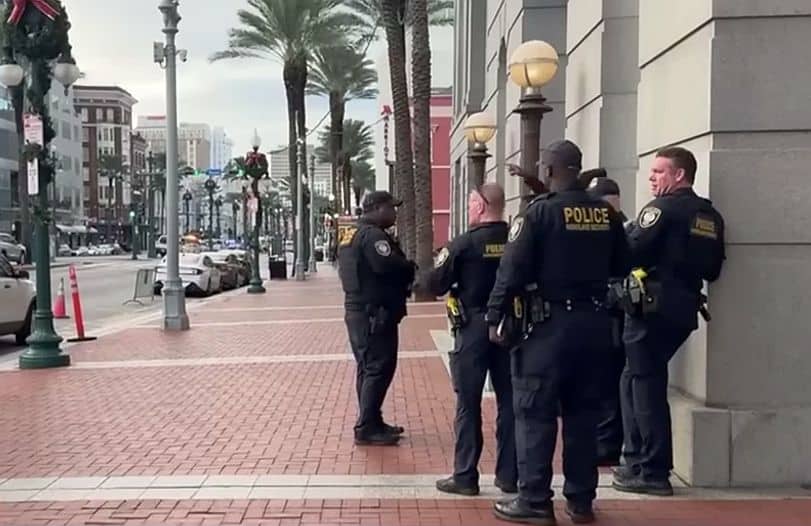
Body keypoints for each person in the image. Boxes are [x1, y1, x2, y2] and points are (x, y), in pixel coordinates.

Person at [486, 140, 630, 525]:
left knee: (535, 414)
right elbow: (623, 263)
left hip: (547, 330)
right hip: (595, 327)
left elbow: (511, 270)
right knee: (583, 416)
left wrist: (494, 317)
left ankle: (535, 500)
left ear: (549, 170)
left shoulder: (539, 213)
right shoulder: (605, 214)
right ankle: (581, 501)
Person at [613, 147, 726, 496]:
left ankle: (652, 471)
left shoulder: (661, 209)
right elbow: (713, 269)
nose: (651, 178)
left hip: (651, 310)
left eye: (659, 172)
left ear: (680, 175)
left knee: (644, 387)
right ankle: (636, 460)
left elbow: (629, 251)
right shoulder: (709, 216)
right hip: (683, 309)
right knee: (635, 379)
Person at [427, 183, 518, 497]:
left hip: (473, 328)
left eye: (470, 203)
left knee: (468, 403)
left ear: (480, 206)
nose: (468, 209)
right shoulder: (517, 239)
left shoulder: (463, 244)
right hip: (510, 327)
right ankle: (509, 476)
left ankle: (465, 475)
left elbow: (434, 284)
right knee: (510, 402)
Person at [338, 190, 416, 446]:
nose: (394, 213)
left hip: (360, 311)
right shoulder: (372, 236)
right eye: (390, 208)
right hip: (374, 313)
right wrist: (408, 267)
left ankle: (371, 419)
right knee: (378, 367)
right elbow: (386, 265)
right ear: (377, 208)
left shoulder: (351, 233)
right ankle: (366, 427)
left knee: (368, 368)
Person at [587, 176, 629, 466]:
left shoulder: (621, 229)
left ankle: (607, 445)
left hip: (614, 316)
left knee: (608, 382)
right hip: (607, 314)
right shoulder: (618, 227)